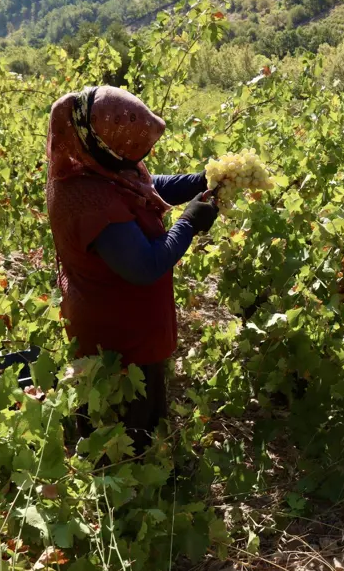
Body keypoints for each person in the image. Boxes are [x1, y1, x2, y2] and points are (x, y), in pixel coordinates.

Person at [46, 85, 219, 453]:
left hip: (114, 322)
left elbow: (149, 185)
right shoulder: (90, 201)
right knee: (128, 428)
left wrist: (203, 181)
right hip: (119, 338)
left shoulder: (91, 166)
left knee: (120, 415)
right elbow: (144, 266)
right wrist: (188, 222)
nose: (143, 157)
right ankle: (129, 497)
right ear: (101, 143)